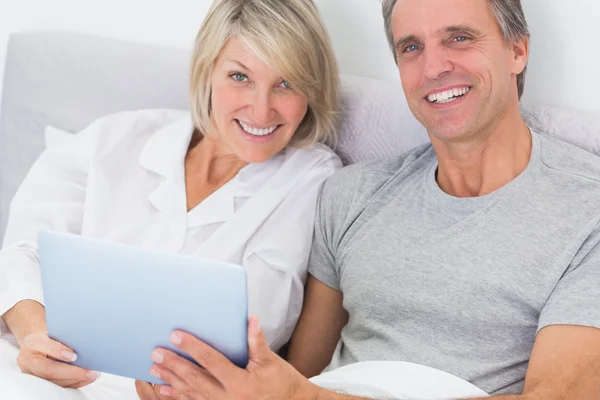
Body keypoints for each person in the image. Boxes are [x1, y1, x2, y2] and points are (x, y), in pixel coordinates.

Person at [135, 0, 600, 399]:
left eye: (459, 38)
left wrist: (298, 396)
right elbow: (300, 375)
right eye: (411, 47)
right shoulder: (353, 194)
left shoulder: (585, 212)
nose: (434, 67)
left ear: (517, 50)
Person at [0, 0, 341, 396]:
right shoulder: (116, 138)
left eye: (287, 83)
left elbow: (259, 319)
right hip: (37, 371)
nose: (262, 110)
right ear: (207, 71)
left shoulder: (311, 178)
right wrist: (35, 336)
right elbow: (21, 250)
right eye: (239, 76)